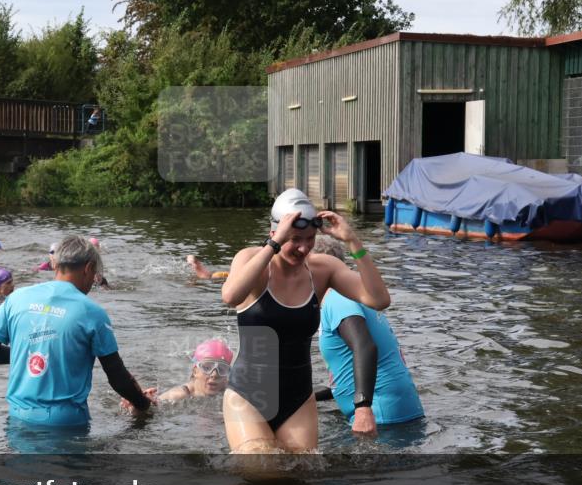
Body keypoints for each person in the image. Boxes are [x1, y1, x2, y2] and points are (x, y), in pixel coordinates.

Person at [220, 188, 390, 453]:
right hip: (248, 394)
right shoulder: (251, 258)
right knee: (260, 467)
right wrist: (274, 245)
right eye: (294, 239)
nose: (303, 248)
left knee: (302, 476)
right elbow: (231, 296)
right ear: (274, 231)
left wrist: (353, 241)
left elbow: (379, 299)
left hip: (298, 398)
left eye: (309, 239)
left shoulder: (323, 269)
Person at [0, 236, 156, 427]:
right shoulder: (92, 313)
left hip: (18, 418)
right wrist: (144, 406)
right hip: (66, 425)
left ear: (56, 265)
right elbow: (117, 377)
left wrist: (30, 350)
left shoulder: (16, 298)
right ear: (88, 268)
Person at [311, 237, 424, 437]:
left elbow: (364, 347)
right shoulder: (354, 296)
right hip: (396, 409)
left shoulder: (337, 299)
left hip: (381, 415)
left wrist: (363, 408)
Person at [157, 339, 233, 403]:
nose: (215, 374)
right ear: (195, 371)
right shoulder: (178, 395)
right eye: (207, 368)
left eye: (222, 369)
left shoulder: (229, 390)